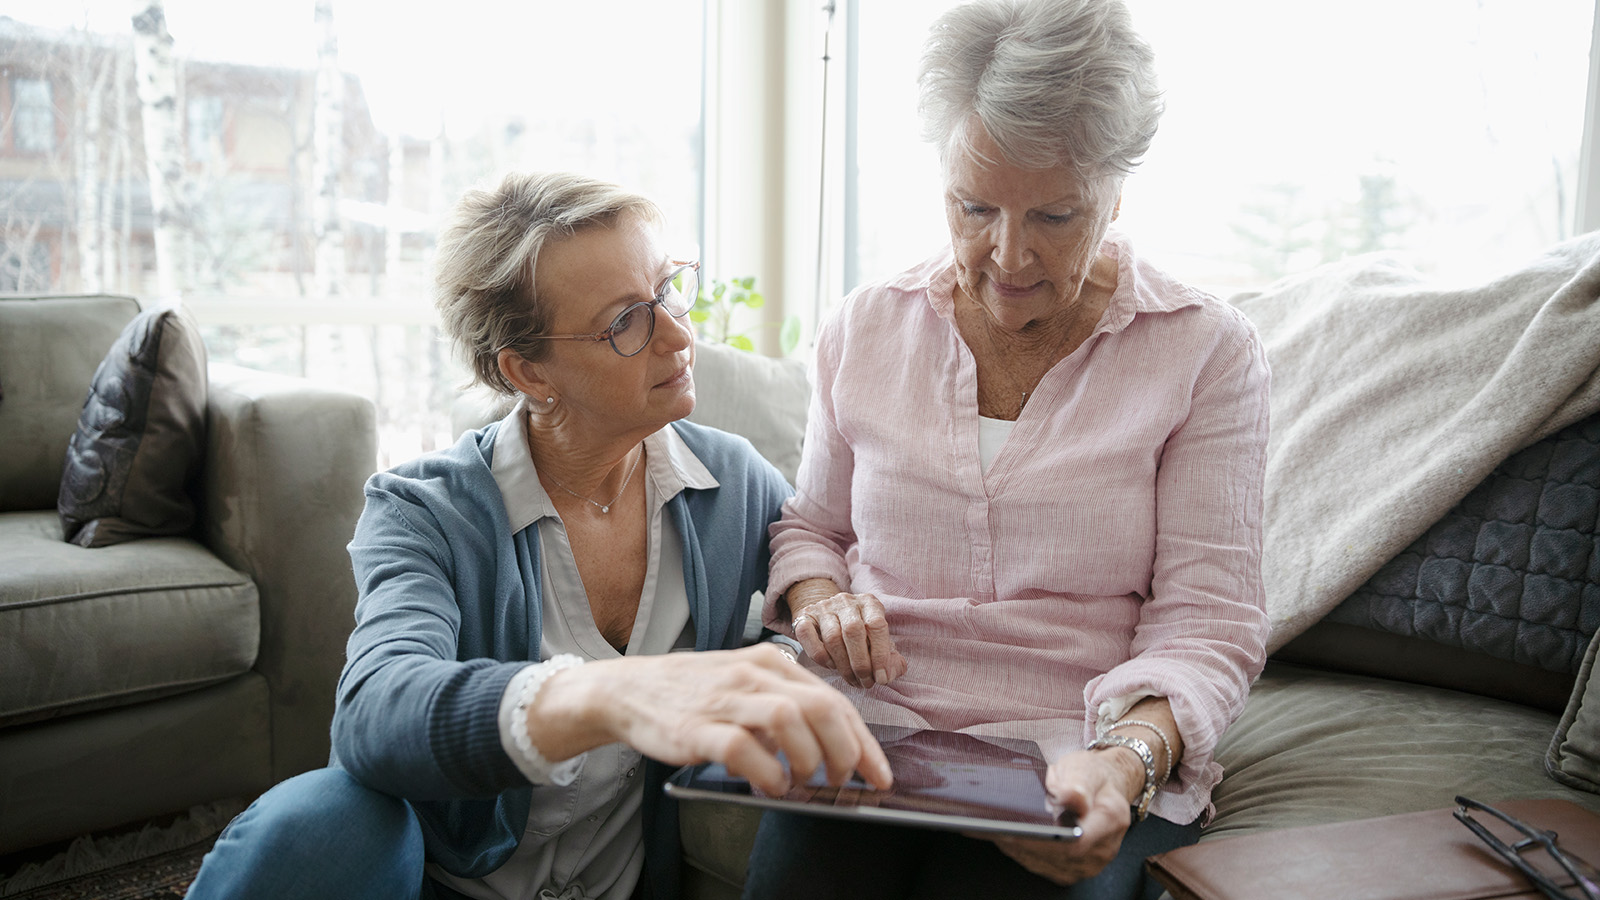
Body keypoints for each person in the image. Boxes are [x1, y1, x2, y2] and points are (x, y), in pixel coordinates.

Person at [185, 172, 891, 900]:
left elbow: (815, 546)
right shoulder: (423, 510)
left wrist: (819, 597)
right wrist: (610, 694)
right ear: (528, 371)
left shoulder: (733, 485)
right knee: (323, 820)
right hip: (445, 883)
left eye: (667, 289)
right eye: (626, 322)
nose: (680, 334)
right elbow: (374, 710)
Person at [741, 1, 1272, 898]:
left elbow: (1209, 619)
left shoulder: (1203, 351)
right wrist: (824, 598)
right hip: (873, 734)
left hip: (1074, 745)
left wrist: (1130, 760)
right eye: (973, 205)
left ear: (1115, 193)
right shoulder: (867, 328)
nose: (1007, 255)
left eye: (1057, 215)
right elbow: (812, 528)